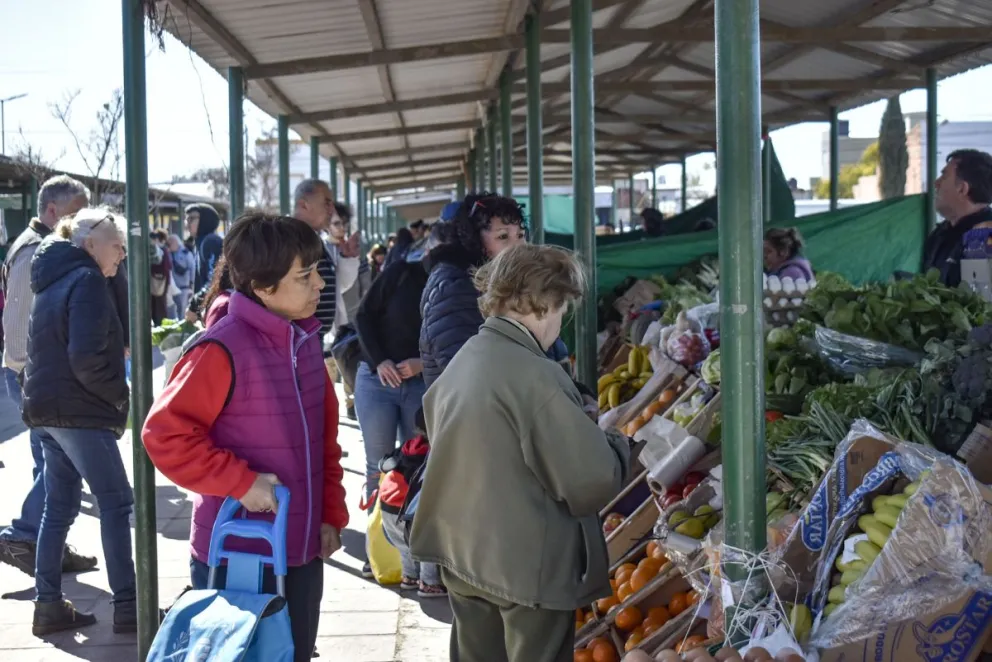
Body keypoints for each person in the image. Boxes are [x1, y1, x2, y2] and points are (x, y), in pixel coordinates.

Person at [142, 213, 348, 662]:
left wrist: (330, 513)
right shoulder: (221, 346)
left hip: (302, 548)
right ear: (261, 286)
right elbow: (164, 435)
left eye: (317, 271)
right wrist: (242, 482)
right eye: (305, 275)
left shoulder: (305, 338)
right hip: (238, 554)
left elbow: (324, 440)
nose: (319, 285)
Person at [410, 244, 630, 662]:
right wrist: (617, 444)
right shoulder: (537, 375)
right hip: (525, 566)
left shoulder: (467, 356)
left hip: (460, 552)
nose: (562, 321)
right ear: (546, 303)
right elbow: (590, 481)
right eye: (563, 308)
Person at [21, 207, 136, 634]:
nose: (122, 253)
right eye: (116, 244)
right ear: (90, 244)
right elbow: (86, 359)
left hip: (47, 409)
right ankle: (129, 606)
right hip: (78, 410)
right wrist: (120, 396)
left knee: (59, 506)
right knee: (117, 501)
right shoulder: (86, 279)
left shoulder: (54, 276)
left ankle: (47, 605)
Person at [0, 174, 97, 578]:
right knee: (62, 468)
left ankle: (43, 543)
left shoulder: (47, 247)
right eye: (77, 213)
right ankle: (24, 535)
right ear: (53, 211)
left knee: (52, 468)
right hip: (33, 375)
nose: (84, 223)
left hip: (37, 375)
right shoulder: (33, 251)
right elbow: (21, 330)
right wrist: (35, 377)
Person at [419, 192, 527, 387]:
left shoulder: (506, 284)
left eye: (520, 235)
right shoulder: (455, 287)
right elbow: (467, 373)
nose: (517, 246)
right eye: (503, 236)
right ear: (476, 240)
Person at [293, 180, 368, 420]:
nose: (331, 209)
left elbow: (333, 288)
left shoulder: (313, 239)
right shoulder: (289, 237)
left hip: (312, 337)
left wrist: (347, 259)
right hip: (295, 339)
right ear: (303, 204)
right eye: (326, 202)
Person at [377, 408, 443, 598]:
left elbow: (384, 464)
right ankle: (429, 583)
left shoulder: (408, 446)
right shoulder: (435, 454)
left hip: (389, 509)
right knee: (427, 543)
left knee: (406, 548)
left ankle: (410, 577)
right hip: (410, 515)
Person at [923, 149, 992, 286]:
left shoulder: (983, 237)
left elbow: (979, 301)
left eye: (944, 176)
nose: (936, 183)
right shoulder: (940, 233)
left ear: (962, 188)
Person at [184, 203, 224, 319]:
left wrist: (194, 305)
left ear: (206, 220)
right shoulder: (200, 243)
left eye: (192, 218)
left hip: (217, 309)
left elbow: (214, 281)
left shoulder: (210, 242)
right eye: (186, 219)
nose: (187, 223)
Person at [150, 229, 173, 324]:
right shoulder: (164, 251)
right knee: (160, 309)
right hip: (161, 283)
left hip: (158, 283)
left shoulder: (161, 251)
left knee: (159, 310)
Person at [169, 232, 196, 318]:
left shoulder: (185, 253)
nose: (169, 245)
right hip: (173, 287)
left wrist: (192, 283)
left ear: (176, 242)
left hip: (183, 286)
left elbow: (192, 268)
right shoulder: (170, 253)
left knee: (183, 309)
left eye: (171, 243)